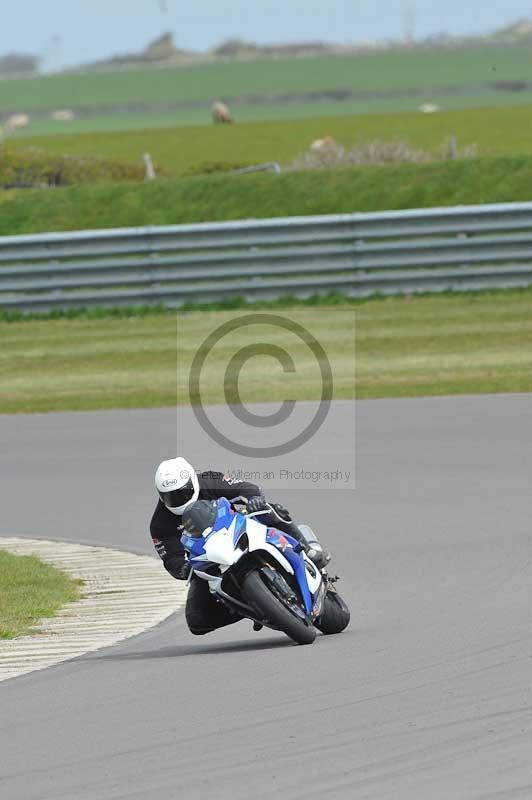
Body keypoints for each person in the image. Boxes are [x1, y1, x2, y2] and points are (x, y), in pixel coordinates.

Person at [150, 456, 330, 635]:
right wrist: (181, 567)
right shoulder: (160, 525)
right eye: (170, 497)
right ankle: (253, 608)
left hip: (240, 528)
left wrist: (254, 499)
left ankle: (308, 549)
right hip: (209, 558)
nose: (177, 499)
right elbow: (170, 556)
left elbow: (245, 487)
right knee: (197, 622)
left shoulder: (210, 480)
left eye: (182, 492)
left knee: (270, 510)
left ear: (192, 481)